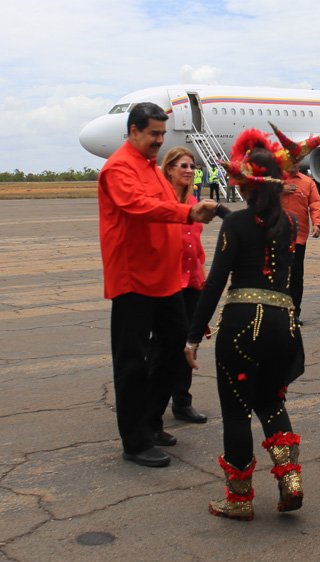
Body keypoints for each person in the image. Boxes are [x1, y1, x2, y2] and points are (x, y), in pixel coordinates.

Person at [184, 126, 309, 520]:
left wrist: (192, 337)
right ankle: (291, 481)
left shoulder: (237, 225)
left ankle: (239, 500)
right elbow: (254, 228)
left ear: (246, 185)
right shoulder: (288, 224)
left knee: (237, 411)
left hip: (243, 326)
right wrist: (224, 214)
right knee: (270, 400)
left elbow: (216, 283)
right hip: (283, 324)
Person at [98, 102, 217, 468]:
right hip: (134, 280)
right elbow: (138, 206)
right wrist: (185, 212)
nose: (159, 141)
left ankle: (151, 422)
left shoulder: (153, 169)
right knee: (132, 363)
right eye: (153, 134)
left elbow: (171, 207)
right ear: (133, 131)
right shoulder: (119, 168)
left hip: (165, 281)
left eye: (163, 135)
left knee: (173, 351)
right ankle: (135, 442)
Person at [152, 146, 215, 425]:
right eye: (183, 166)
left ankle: (182, 401)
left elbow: (197, 251)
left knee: (190, 343)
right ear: (168, 170)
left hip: (191, 284)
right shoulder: (160, 203)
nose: (189, 171)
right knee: (161, 347)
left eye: (192, 166)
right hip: (166, 285)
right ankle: (151, 401)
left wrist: (201, 289)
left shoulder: (194, 203)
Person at [271, 123, 320, 326]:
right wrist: (279, 190)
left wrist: (318, 224)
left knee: (296, 276)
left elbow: (315, 204)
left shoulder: (308, 183)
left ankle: (294, 312)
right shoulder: (274, 180)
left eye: (297, 161)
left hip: (298, 237)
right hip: (275, 235)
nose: (294, 164)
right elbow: (259, 199)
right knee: (276, 274)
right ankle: (276, 311)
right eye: (290, 161)